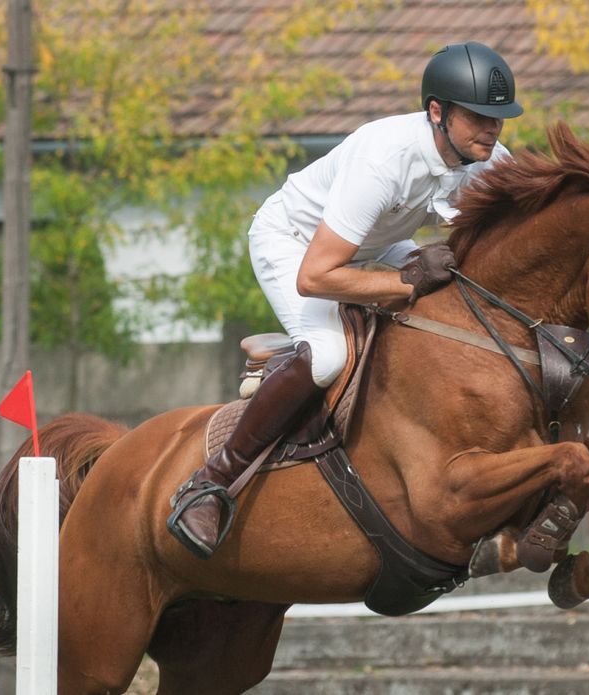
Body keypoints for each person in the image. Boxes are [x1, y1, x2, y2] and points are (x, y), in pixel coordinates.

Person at [167, 41, 524, 559]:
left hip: (375, 244)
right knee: (329, 355)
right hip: (294, 243)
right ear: (436, 112)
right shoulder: (386, 159)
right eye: (479, 118)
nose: (492, 130)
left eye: (499, 119)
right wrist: (408, 284)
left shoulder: (489, 161)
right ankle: (210, 483)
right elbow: (316, 277)